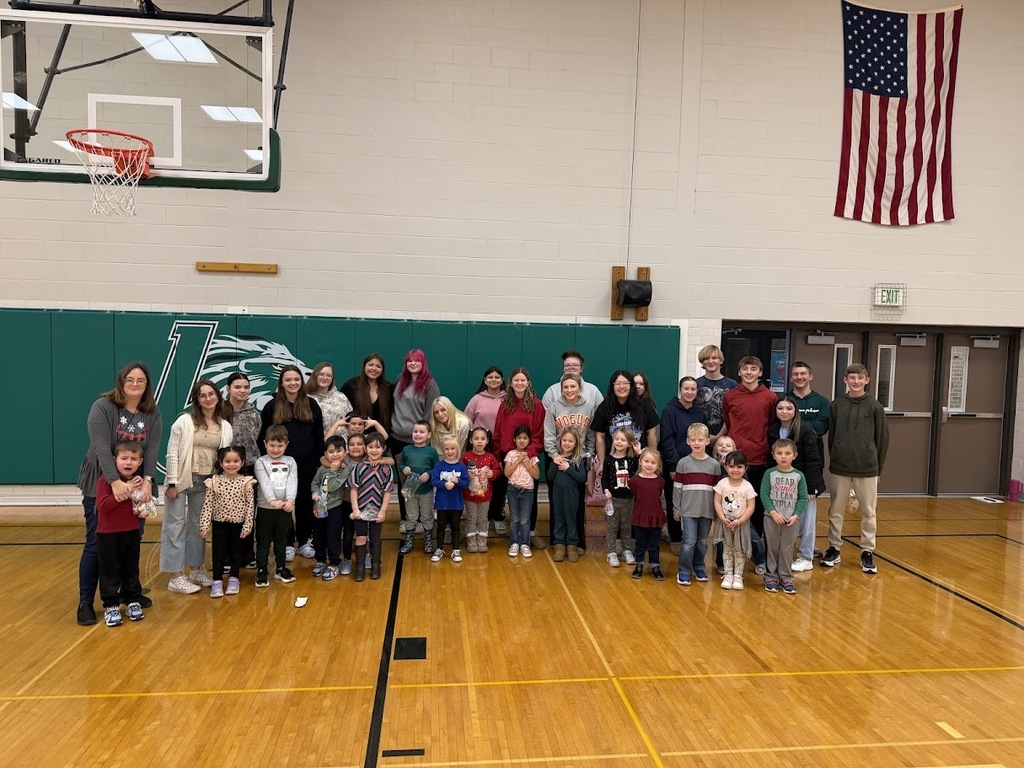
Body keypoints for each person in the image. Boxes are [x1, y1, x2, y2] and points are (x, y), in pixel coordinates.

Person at [76, 361, 162, 626]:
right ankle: (86, 602)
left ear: (147, 385)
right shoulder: (102, 407)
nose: (135, 385)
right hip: (103, 482)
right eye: (130, 380)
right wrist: (114, 481)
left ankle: (127, 593)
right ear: (121, 382)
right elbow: (101, 447)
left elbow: (152, 449)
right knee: (97, 543)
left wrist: (147, 481)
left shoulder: (152, 412)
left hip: (137, 485)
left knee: (130, 541)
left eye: (141, 381)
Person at [162, 379, 234, 595]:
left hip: (206, 483)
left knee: (198, 527)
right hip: (182, 480)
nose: (208, 398)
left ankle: (195, 570)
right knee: (174, 526)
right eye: (202, 395)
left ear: (218, 396)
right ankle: (175, 576)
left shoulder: (225, 426)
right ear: (197, 399)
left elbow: (224, 457)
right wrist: (172, 482)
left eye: (211, 394)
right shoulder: (184, 421)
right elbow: (172, 452)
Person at [821, 363, 889, 574]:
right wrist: (836, 457)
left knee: (869, 511)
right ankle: (834, 547)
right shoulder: (836, 405)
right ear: (845, 380)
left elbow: (882, 438)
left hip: (867, 467)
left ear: (867, 380)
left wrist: (878, 467)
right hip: (840, 466)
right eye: (852, 378)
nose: (856, 382)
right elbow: (832, 437)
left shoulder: (875, 406)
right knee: (836, 509)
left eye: (860, 378)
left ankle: (867, 551)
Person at [258, 365, 325, 561]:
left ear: (301, 382)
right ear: (281, 382)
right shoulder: (271, 407)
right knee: (283, 504)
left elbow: (318, 437)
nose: (292, 383)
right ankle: (287, 542)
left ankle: (305, 540)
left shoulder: (311, 405)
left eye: (296, 379)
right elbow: (263, 437)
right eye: (288, 380)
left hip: (307, 465)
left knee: (305, 503)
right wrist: (269, 463)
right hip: (280, 466)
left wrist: (319, 462)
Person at [721, 356, 777, 570]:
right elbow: (729, 422)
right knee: (734, 509)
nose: (749, 372)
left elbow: (770, 424)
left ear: (760, 373)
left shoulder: (770, 397)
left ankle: (756, 554)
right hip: (736, 463)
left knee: (756, 509)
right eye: (745, 368)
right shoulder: (730, 396)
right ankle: (740, 553)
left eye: (754, 369)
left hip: (760, 460)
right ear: (739, 372)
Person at [767, 396, 824, 573]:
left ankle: (806, 556)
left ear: (795, 411)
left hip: (803, 484)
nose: (784, 412)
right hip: (782, 483)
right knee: (784, 520)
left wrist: (811, 487)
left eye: (789, 408)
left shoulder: (805, 430)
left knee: (806, 521)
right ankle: (783, 554)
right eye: (780, 408)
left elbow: (814, 460)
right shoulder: (773, 430)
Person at [492, 367, 547, 549]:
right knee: (512, 496)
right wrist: (501, 455)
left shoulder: (537, 405)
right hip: (509, 458)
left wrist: (528, 454)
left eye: (523, 380)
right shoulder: (504, 405)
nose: (519, 383)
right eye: (516, 380)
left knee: (530, 497)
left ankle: (530, 533)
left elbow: (539, 434)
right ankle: (516, 537)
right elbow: (498, 432)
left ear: (528, 382)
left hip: (529, 458)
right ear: (511, 383)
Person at [96, 442, 148, 627]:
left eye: (133, 459)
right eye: (124, 458)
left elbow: (139, 505)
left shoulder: (139, 480)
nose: (128, 462)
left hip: (131, 532)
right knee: (110, 571)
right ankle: (111, 604)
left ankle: (132, 600)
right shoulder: (105, 481)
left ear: (140, 461)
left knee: (131, 568)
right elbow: (104, 506)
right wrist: (127, 489)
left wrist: (142, 506)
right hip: (108, 534)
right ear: (114, 460)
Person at [545, 372, 598, 549]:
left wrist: (589, 455)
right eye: (565, 387)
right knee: (557, 504)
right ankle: (558, 542)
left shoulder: (589, 407)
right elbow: (549, 434)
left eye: (572, 386)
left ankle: (576, 543)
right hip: (559, 457)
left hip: (579, 459)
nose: (569, 390)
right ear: (561, 389)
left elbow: (591, 434)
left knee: (576, 506)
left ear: (580, 387)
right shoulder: (554, 406)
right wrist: (554, 456)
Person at [390, 350, 441, 532]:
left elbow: (430, 413)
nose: (412, 363)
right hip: (397, 438)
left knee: (421, 481)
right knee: (405, 480)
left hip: (418, 441)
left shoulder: (430, 384)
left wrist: (422, 435)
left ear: (423, 363)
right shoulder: (399, 380)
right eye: (409, 360)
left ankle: (424, 520)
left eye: (416, 360)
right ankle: (407, 519)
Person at [786, 361, 830, 564]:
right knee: (787, 507)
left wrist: (796, 425)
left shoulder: (821, 402)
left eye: (803, 373)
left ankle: (806, 551)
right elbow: (780, 424)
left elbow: (821, 427)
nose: (799, 377)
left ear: (810, 376)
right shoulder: (786, 399)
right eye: (795, 374)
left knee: (808, 510)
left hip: (811, 463)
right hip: (787, 463)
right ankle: (788, 546)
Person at [198, 446, 257, 597]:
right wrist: (204, 525)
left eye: (236, 461)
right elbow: (208, 504)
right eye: (228, 461)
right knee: (218, 553)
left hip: (238, 524)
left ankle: (234, 577)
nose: (232, 464)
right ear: (221, 462)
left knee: (236, 553)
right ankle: (217, 580)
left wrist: (247, 525)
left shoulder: (246, 482)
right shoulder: (215, 482)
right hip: (219, 524)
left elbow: (250, 506)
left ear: (242, 462)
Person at [659, 376, 709, 548]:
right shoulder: (669, 410)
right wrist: (674, 466)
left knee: (692, 501)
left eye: (693, 389)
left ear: (696, 392)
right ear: (680, 390)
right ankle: (675, 538)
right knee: (675, 501)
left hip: (696, 464)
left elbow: (702, 438)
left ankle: (691, 538)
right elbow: (667, 440)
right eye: (686, 389)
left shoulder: (699, 413)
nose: (689, 392)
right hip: (675, 465)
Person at [672, 423, 722, 586]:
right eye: (693, 440)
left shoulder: (714, 465)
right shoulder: (683, 463)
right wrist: (677, 508)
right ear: (687, 441)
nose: (697, 443)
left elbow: (717, 490)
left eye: (700, 439)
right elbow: (677, 489)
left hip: (707, 510)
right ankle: (684, 570)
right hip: (688, 510)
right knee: (689, 541)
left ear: (708, 441)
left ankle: (699, 566)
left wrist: (717, 509)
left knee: (702, 541)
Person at [760, 439, 808, 595]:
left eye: (787, 453)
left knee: (787, 549)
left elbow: (802, 498)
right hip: (771, 518)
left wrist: (796, 515)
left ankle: (786, 578)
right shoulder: (770, 473)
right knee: (772, 549)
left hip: (791, 520)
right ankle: (771, 577)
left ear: (794, 455)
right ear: (774, 456)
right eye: (779, 453)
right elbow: (764, 494)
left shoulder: (799, 476)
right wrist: (773, 512)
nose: (783, 456)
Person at [464, 367, 508, 535]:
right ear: (484, 379)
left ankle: (497, 516)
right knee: (479, 481)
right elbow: (467, 421)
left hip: (501, 445)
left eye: (497, 377)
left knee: (499, 481)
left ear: (502, 380)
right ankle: (480, 518)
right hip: (481, 446)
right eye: (490, 377)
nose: (494, 380)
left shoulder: (507, 398)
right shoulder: (477, 399)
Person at [254, 426, 297, 587]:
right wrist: (272, 501)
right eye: (272, 445)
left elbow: (292, 481)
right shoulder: (261, 462)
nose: (275, 449)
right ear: (265, 444)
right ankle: (261, 571)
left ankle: (281, 569)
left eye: (280, 445)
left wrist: (291, 500)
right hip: (266, 509)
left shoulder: (291, 461)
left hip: (284, 509)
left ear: (286, 444)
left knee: (281, 541)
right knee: (264, 542)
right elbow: (264, 483)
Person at [225, 372, 260, 569]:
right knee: (227, 513)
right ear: (228, 388)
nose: (242, 391)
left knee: (248, 512)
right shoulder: (219, 411)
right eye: (237, 387)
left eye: (246, 387)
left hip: (248, 469)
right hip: (225, 470)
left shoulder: (253, 413)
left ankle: (247, 553)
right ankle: (228, 556)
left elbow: (256, 436)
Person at [349, 432, 395, 581]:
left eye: (377, 447)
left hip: (377, 510)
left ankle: (376, 566)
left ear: (383, 449)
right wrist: (355, 509)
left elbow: (387, 492)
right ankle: (360, 568)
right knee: (361, 537)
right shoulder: (359, 468)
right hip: (361, 510)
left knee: (375, 538)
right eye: (370, 447)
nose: (374, 450)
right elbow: (353, 489)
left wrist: (383, 511)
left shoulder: (386, 470)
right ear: (365, 448)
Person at [592, 370, 660, 465]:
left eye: (625, 383)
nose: (622, 387)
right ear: (612, 386)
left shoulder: (644, 406)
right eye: (618, 383)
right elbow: (600, 437)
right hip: (612, 462)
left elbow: (652, 434)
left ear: (631, 385)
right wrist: (602, 463)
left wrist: (653, 460)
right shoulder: (604, 407)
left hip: (640, 462)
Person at [712, 451, 756, 590]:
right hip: (725, 523)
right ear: (725, 467)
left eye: (739, 467)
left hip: (741, 524)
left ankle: (738, 575)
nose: (735, 470)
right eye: (731, 466)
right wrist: (722, 517)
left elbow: (751, 506)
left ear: (745, 468)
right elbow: (717, 502)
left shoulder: (747, 486)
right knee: (727, 548)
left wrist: (741, 520)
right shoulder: (722, 483)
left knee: (739, 549)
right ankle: (728, 574)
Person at [311, 436, 351, 581]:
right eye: (331, 451)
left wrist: (333, 470)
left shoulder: (344, 471)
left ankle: (334, 563)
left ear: (345, 453)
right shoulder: (322, 468)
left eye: (339, 451)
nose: (335, 454)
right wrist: (315, 493)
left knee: (333, 535)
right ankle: (320, 560)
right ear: (326, 454)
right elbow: (315, 482)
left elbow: (333, 486)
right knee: (318, 535)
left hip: (335, 507)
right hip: (319, 507)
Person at [397, 420, 439, 555]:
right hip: (410, 491)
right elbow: (401, 464)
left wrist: (429, 473)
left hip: (426, 491)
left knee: (427, 516)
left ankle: (427, 541)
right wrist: (405, 469)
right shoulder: (407, 450)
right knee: (411, 516)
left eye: (421, 432)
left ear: (428, 435)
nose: (418, 434)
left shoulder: (432, 452)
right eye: (415, 432)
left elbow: (436, 468)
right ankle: (409, 541)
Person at [548, 427, 587, 563]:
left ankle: (572, 545)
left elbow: (581, 478)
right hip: (557, 492)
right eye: (564, 440)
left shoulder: (578, 459)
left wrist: (568, 469)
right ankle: (559, 545)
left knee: (571, 518)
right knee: (559, 517)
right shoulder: (557, 457)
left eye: (570, 441)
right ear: (560, 441)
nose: (567, 443)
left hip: (572, 493)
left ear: (576, 443)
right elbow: (550, 476)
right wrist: (554, 463)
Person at [601, 427, 639, 568]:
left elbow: (641, 469)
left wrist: (638, 452)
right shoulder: (609, 460)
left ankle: (627, 550)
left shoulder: (633, 459)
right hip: (613, 500)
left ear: (629, 443)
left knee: (626, 526)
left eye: (623, 440)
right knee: (612, 527)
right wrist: (606, 490)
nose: (619, 442)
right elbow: (604, 478)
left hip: (629, 499)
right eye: (617, 439)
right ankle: (611, 552)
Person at [430, 437, 469, 564]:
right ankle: (439, 549)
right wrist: (444, 484)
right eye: (447, 449)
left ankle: (456, 549)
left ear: (457, 450)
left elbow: (466, 483)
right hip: (442, 503)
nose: (450, 451)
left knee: (455, 527)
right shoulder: (439, 465)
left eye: (452, 448)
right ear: (443, 450)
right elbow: (434, 480)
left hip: (456, 504)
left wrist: (457, 481)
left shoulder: (461, 466)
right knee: (440, 526)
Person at [629, 448, 666, 581]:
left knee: (654, 544)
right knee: (640, 543)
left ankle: (655, 565)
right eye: (646, 461)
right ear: (640, 462)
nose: (649, 465)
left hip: (655, 517)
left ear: (658, 465)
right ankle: (639, 564)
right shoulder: (634, 480)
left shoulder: (660, 481)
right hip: (640, 516)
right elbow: (634, 493)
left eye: (653, 462)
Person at [462, 427, 500, 553]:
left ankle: (482, 539)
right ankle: (471, 540)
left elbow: (497, 471)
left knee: (483, 518)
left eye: (482, 439)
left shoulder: (490, 457)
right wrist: (467, 475)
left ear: (487, 441)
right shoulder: (466, 457)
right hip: (470, 495)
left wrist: (492, 473)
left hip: (485, 495)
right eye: (476, 438)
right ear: (471, 440)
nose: (479, 441)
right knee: (471, 518)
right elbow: (460, 472)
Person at [504, 426, 540, 559]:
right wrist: (518, 461)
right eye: (519, 438)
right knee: (514, 519)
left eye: (525, 438)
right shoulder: (511, 455)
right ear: (514, 439)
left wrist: (527, 463)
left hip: (527, 491)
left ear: (529, 440)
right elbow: (507, 473)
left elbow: (536, 476)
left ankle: (525, 543)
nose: (522, 441)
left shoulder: (532, 456)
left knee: (525, 520)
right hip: (513, 490)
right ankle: (514, 543)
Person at [340, 353, 394, 437]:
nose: (374, 368)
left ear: (382, 369)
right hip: (356, 440)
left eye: (378, 366)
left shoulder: (388, 388)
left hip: (380, 440)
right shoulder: (351, 386)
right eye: (371, 365)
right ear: (364, 366)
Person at [695, 344, 737, 448]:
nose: (710, 361)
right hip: (700, 439)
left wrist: (719, 436)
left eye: (714, 358)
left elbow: (732, 414)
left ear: (721, 360)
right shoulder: (696, 384)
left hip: (726, 440)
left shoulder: (732, 385)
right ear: (702, 362)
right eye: (706, 358)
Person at [307, 362, 353, 440]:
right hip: (318, 444)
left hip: (341, 445)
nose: (325, 378)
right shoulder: (307, 399)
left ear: (332, 379)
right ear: (315, 376)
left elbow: (350, 420)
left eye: (329, 375)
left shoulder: (341, 397)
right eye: (321, 374)